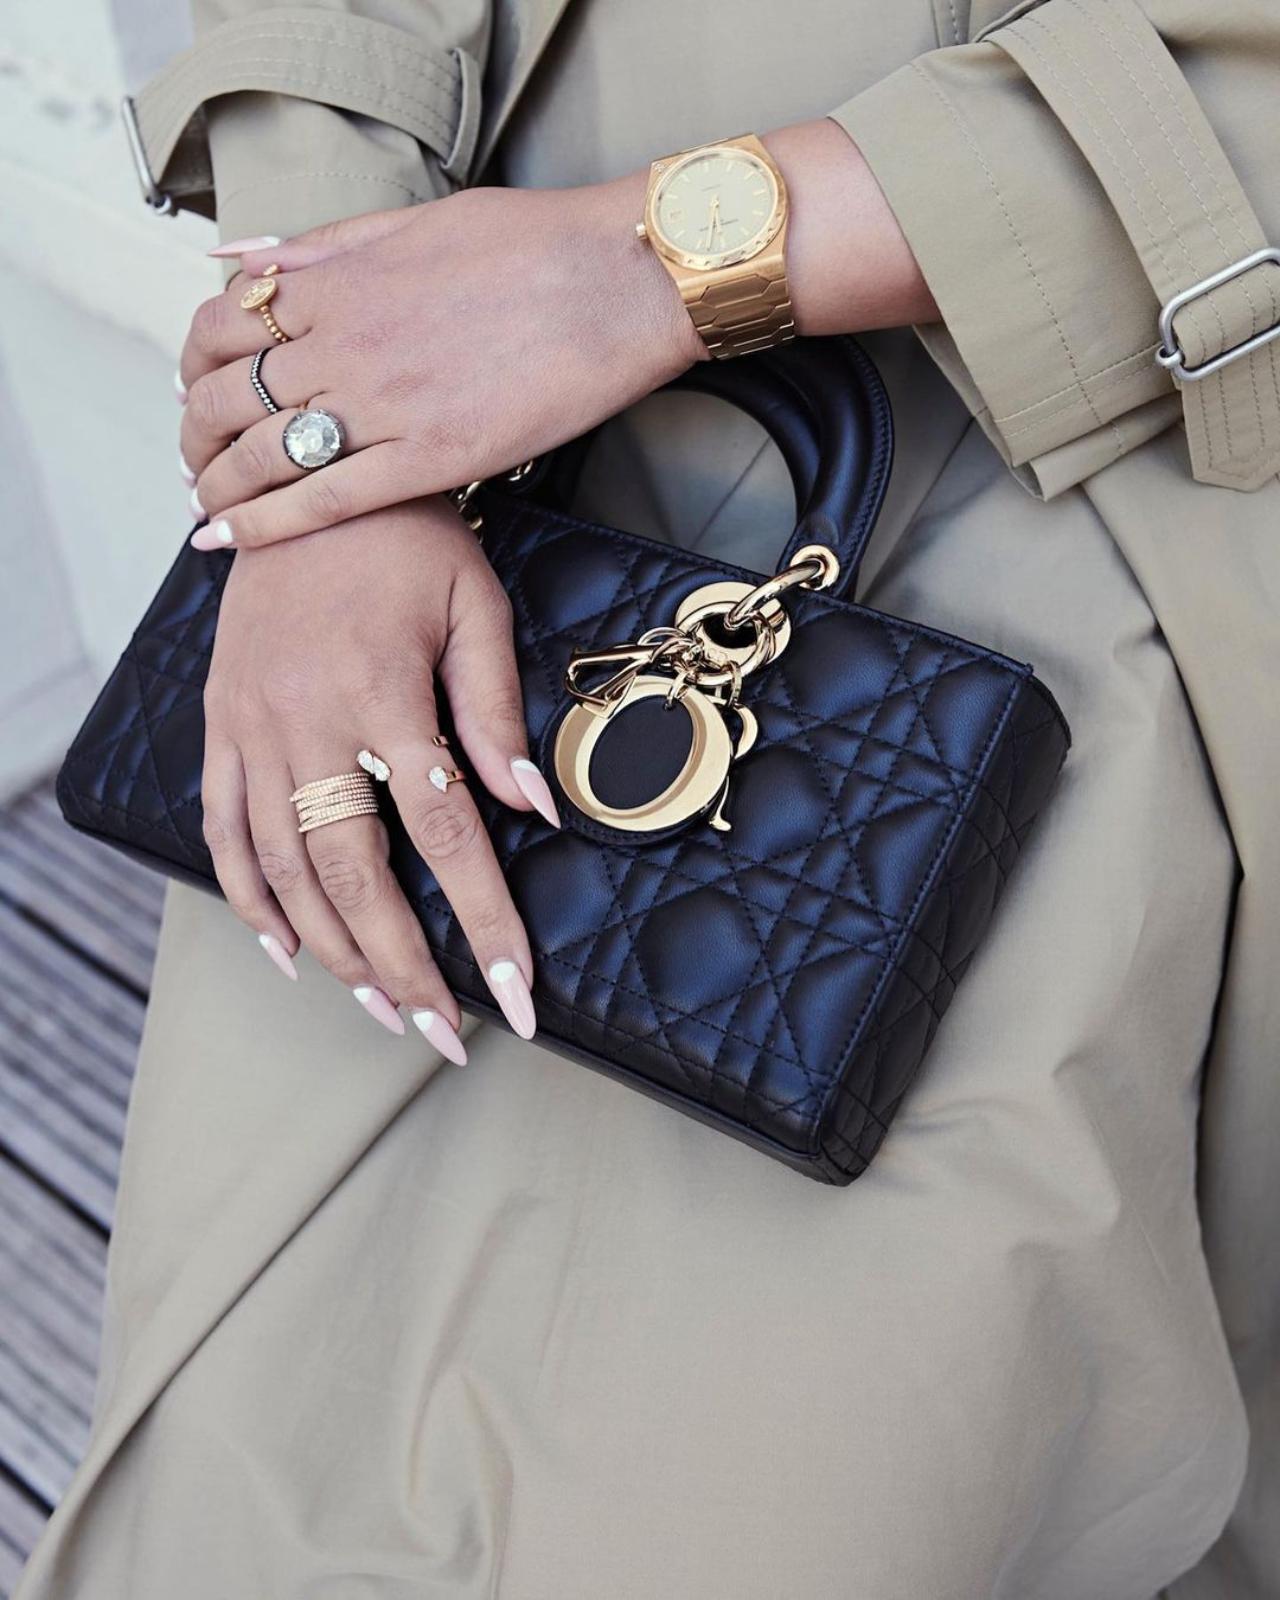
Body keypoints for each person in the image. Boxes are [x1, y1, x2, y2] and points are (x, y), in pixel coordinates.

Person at [16, 1, 1280, 1596]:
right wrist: (328, 426)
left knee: (856, 1483)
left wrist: (646, 263)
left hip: (1120, 460)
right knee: (255, 1440)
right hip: (460, 382)